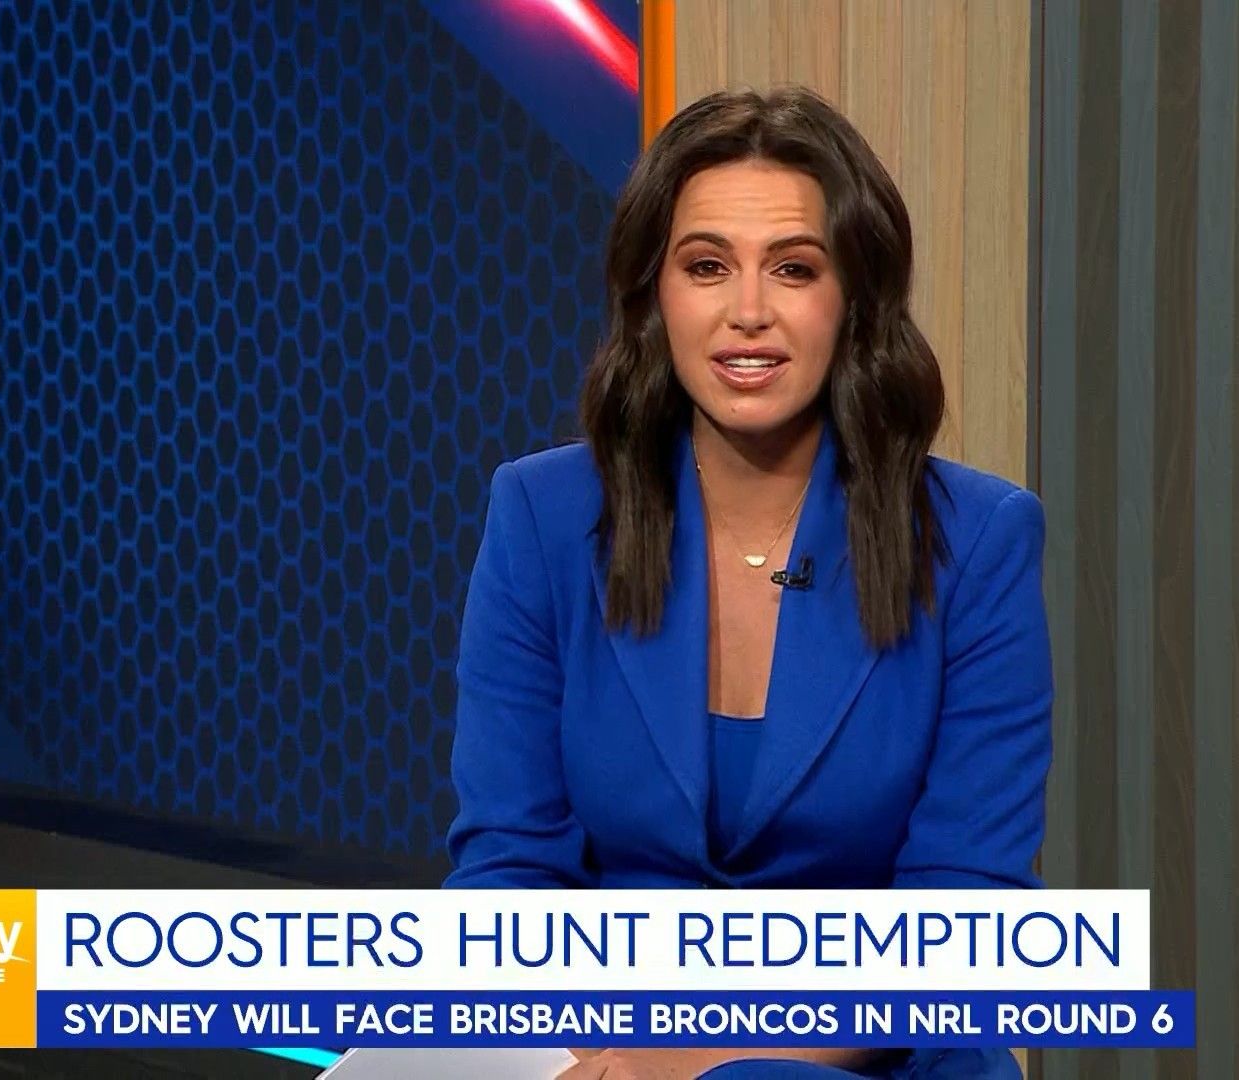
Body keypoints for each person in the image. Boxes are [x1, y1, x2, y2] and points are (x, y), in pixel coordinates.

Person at [444, 86, 1053, 1080]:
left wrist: (686, 1061)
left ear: (854, 301)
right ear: (654, 295)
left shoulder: (977, 543)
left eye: (795, 269)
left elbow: (962, 917)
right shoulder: (543, 519)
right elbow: (507, 870)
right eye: (706, 266)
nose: (749, 313)